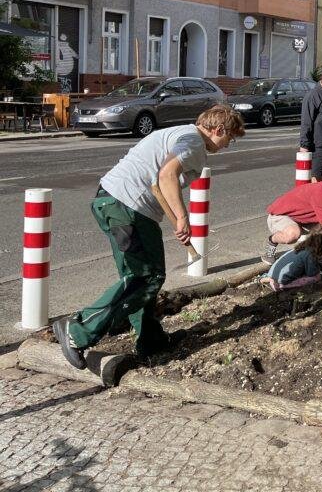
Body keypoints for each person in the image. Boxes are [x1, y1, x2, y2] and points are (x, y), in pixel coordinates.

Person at [52, 105, 246, 369]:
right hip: (129, 208)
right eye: (229, 138)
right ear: (218, 129)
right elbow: (166, 175)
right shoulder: (193, 141)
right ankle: (78, 329)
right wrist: (181, 217)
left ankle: (151, 340)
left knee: (136, 278)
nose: (227, 145)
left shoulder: (178, 133)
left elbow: (160, 177)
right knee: (148, 277)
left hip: (111, 200)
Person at [262, 225, 322, 291]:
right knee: (316, 278)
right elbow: (312, 274)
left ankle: (268, 279)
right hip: (282, 281)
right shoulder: (310, 255)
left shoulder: (304, 247)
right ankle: (281, 286)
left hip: (273, 274)